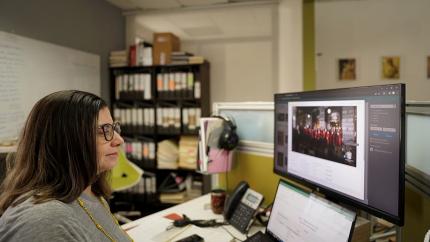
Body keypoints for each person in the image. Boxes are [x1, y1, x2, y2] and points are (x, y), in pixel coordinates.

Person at [0, 90, 133, 242]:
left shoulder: (90, 192)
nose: (119, 140)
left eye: (113, 128)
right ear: (66, 141)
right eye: (103, 131)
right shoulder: (45, 219)